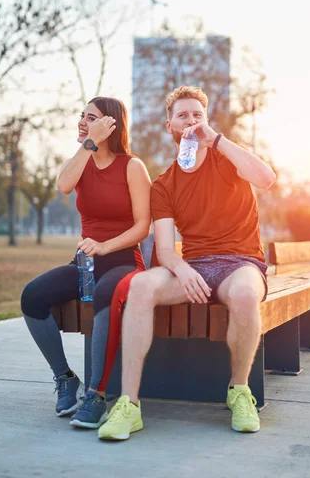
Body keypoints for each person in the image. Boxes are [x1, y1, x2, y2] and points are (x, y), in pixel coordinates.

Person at [99, 85, 276, 440]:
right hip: (194, 266)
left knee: (244, 294)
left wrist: (217, 140)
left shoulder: (228, 158)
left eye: (198, 115)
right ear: (170, 126)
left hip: (241, 263)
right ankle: (129, 404)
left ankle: (239, 391)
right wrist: (183, 269)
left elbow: (266, 179)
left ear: (207, 122)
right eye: (183, 115)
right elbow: (164, 249)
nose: (191, 120)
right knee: (142, 285)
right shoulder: (163, 185)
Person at [21, 96, 151, 430]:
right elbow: (63, 185)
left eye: (90, 117)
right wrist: (89, 144)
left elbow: (142, 227)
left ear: (111, 124)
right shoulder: (81, 161)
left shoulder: (132, 167)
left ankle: (97, 394)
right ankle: (65, 378)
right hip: (86, 264)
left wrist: (106, 246)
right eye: (81, 116)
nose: (82, 121)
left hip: (123, 261)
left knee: (108, 291)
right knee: (32, 296)